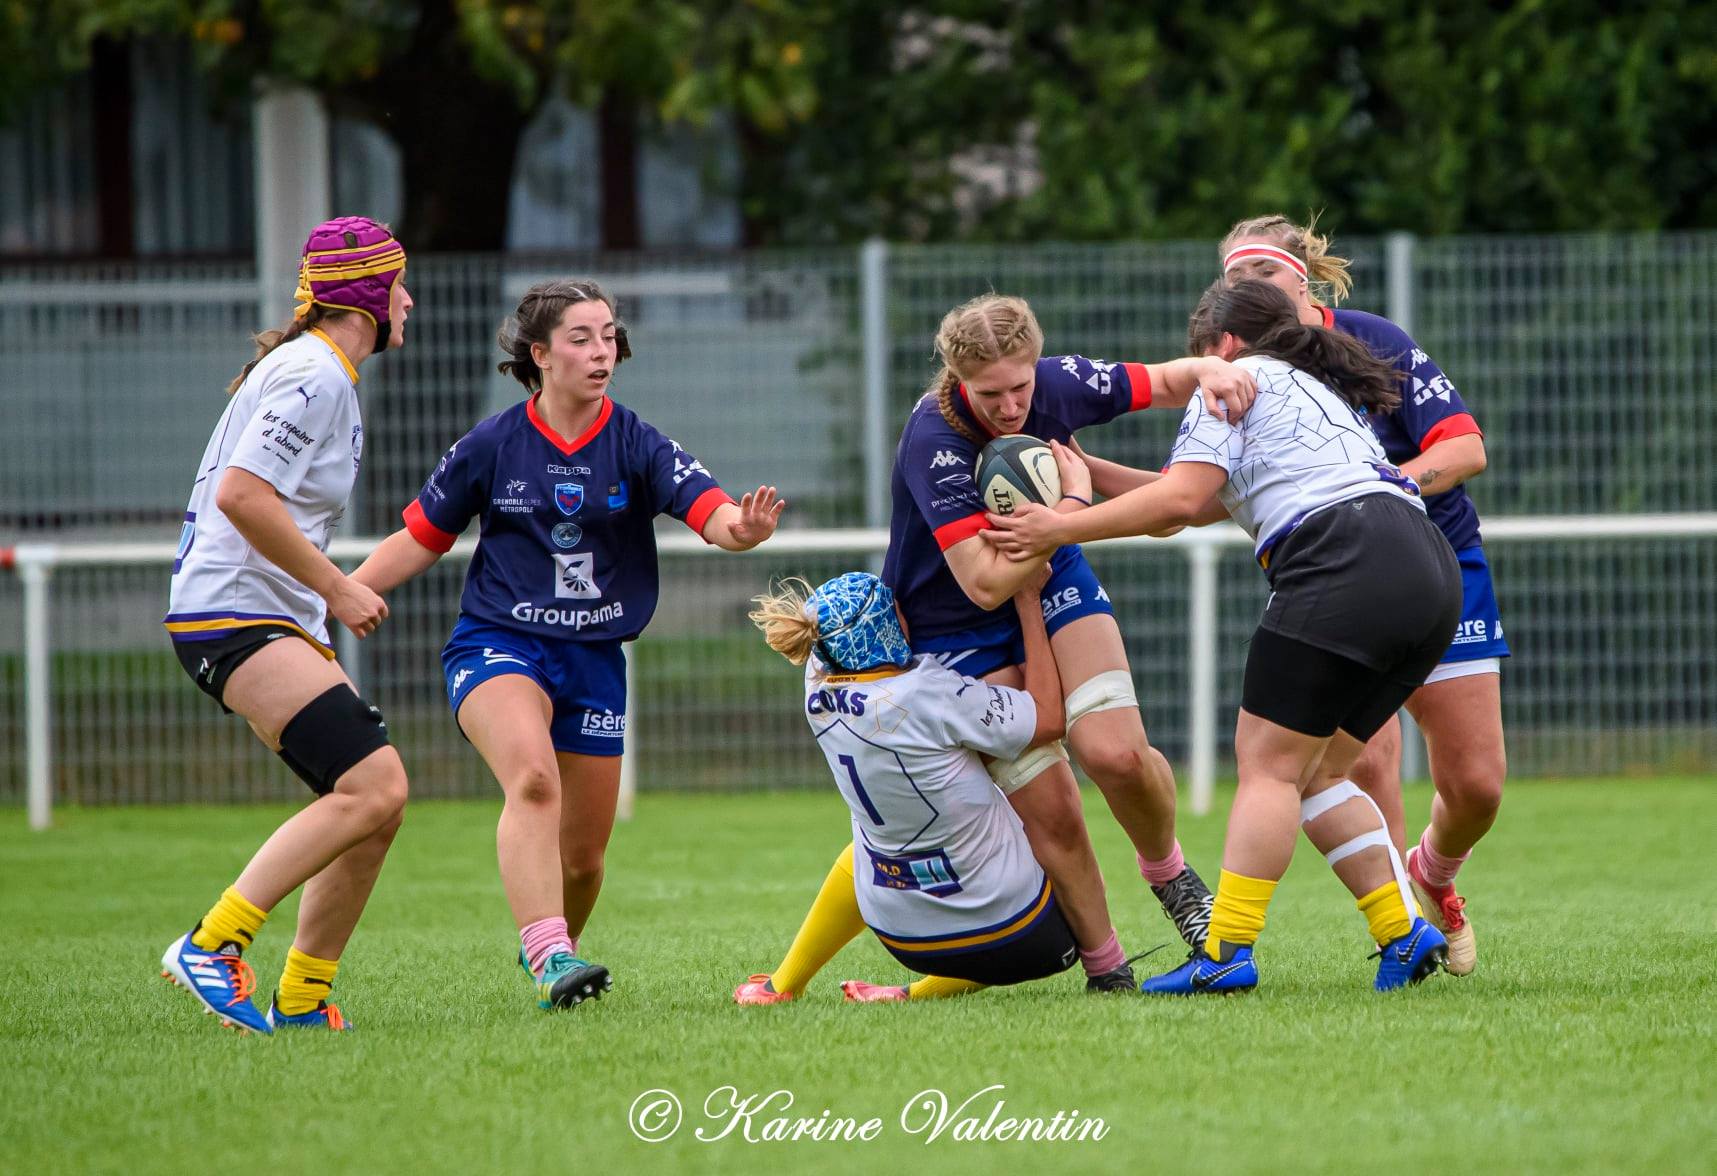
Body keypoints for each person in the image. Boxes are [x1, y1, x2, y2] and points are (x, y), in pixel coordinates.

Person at [984, 279, 1461, 994]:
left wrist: (1058, 526)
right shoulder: (1310, 385)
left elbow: (1177, 500)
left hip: (1342, 561)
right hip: (1426, 570)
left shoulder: (1230, 383)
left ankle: (1225, 952)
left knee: (1265, 767)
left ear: (1223, 347)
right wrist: (1082, 473)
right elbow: (1198, 502)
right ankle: (1402, 931)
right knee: (1320, 772)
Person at [350, 278, 784, 1011]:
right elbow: (421, 537)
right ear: (539, 354)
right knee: (533, 780)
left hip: (594, 661)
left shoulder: (636, 441)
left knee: (582, 859)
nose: (600, 351)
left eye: (608, 335)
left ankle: (558, 958)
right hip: (497, 644)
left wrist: (744, 530)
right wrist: (341, 591)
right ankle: (550, 954)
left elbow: (714, 516)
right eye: (581, 338)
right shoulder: (492, 443)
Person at [882, 292, 1256, 990]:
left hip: (1052, 571)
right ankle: (1107, 970)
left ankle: (1171, 877)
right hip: (959, 619)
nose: (1009, 406)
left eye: (1020, 386)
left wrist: (1206, 373)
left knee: (1114, 753)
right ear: (957, 379)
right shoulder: (932, 440)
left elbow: (1164, 380)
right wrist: (1076, 505)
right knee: (1050, 804)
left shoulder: (1057, 383)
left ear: (1035, 364)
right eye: (988, 394)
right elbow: (986, 584)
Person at [1218, 215, 1505, 975]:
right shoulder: (1242, 373)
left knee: (1476, 786)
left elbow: (1465, 446)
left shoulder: (1371, 338)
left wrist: (1388, 489)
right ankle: (1400, 929)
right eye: (1234, 282)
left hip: (1437, 562)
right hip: (1343, 577)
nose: (1247, 292)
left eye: (1263, 276)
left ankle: (1431, 877)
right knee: (1358, 760)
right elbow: (1203, 490)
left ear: (1301, 282)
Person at [160, 216, 413, 1034]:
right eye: (399, 284)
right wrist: (338, 589)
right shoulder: (317, 374)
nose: (409, 300)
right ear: (372, 298)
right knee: (374, 786)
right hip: (236, 613)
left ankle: (303, 998)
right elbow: (242, 496)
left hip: (259, 614)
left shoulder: (316, 367)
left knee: (376, 804)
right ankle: (212, 943)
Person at [734, 568, 1080, 1005]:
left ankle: (782, 985)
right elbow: (1049, 719)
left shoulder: (815, 688)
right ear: (885, 629)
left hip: (899, 934)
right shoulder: (929, 693)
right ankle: (915, 993)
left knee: (868, 847)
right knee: (1046, 825)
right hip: (1022, 936)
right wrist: (1029, 602)